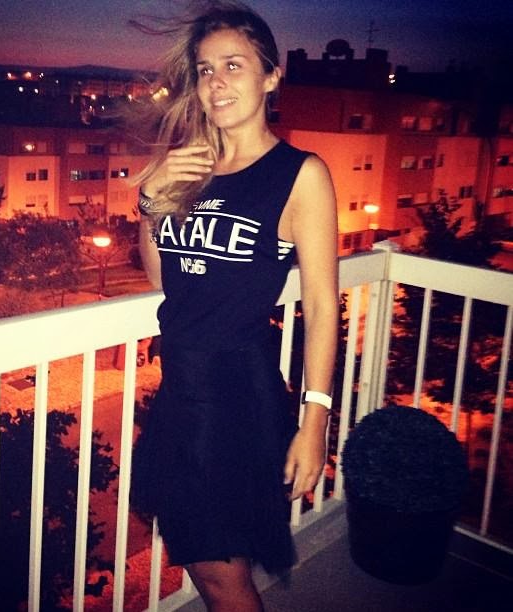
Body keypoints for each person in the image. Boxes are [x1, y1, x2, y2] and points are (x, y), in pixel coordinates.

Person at [130, 2, 338, 610]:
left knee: (220, 579)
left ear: (271, 76)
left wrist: (315, 422)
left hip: (235, 398)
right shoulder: (188, 165)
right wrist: (151, 201)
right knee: (216, 571)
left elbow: (322, 304)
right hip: (180, 393)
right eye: (204, 70)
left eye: (233, 65)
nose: (215, 83)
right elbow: (163, 278)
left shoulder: (299, 174)